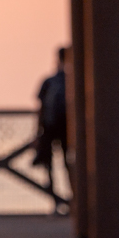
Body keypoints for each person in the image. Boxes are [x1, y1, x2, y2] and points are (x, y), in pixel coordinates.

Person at [31, 47, 68, 195]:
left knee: (50, 164)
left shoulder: (49, 81)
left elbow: (40, 109)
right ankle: (72, 199)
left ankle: (56, 199)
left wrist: (37, 133)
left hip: (50, 127)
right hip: (64, 128)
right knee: (68, 164)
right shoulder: (71, 81)